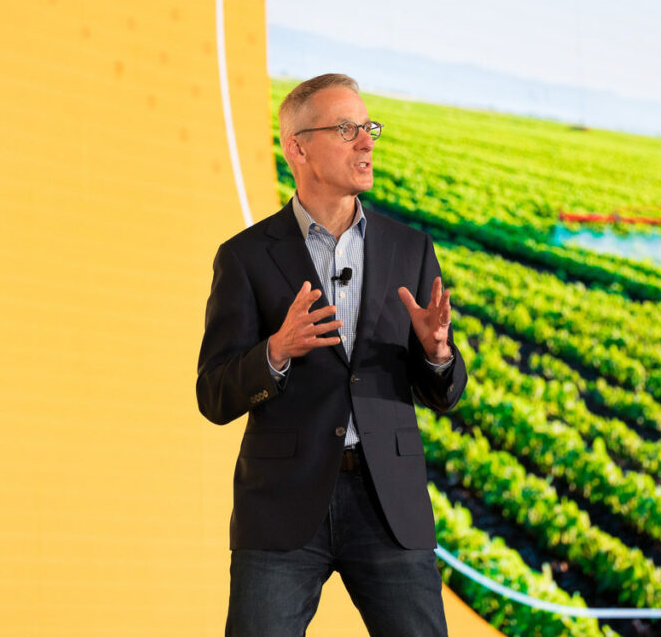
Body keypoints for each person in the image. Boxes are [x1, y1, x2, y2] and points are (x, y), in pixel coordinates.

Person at [196, 73, 467, 637]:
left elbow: (443, 390)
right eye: (346, 129)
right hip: (282, 508)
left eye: (367, 127)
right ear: (297, 147)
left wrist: (437, 353)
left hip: (386, 503)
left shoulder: (409, 249)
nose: (366, 141)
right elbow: (214, 394)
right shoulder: (245, 258)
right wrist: (275, 351)